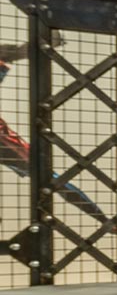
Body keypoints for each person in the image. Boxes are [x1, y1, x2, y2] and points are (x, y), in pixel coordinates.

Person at [0, 35, 106, 221]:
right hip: (13, 151)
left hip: (12, 151)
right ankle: (103, 218)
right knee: (54, 181)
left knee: (54, 181)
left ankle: (102, 218)